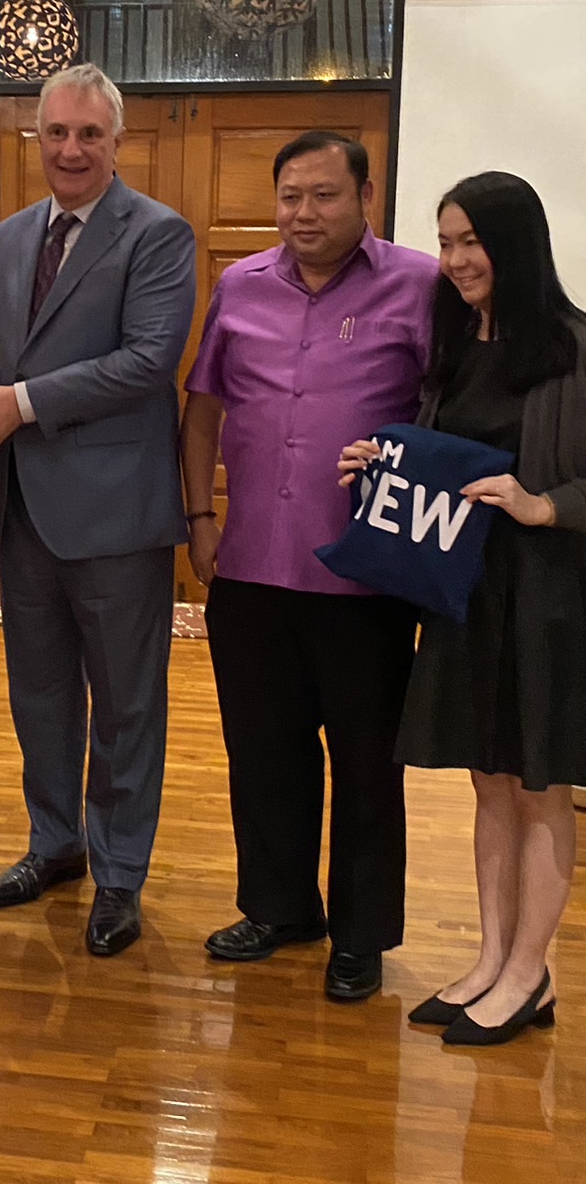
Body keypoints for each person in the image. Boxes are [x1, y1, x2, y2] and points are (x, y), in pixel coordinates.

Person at [180, 129, 439, 1001]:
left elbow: (447, 416)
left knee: (365, 762)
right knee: (261, 751)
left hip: (365, 575)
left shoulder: (418, 286)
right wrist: (200, 516)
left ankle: (360, 935)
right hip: (251, 563)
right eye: (289, 196)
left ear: (365, 196)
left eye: (323, 195)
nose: (302, 213)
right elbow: (202, 408)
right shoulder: (239, 285)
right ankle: (279, 907)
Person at [0, 64, 196, 957]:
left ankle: (119, 873)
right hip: (24, 508)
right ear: (37, 137)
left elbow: (146, 360)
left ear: (116, 142)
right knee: (41, 694)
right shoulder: (12, 235)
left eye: (89, 134)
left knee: (126, 704)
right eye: (55, 131)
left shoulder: (158, 234)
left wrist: (17, 404)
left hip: (116, 513)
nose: (70, 148)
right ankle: (54, 843)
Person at [341, 172, 586, 1045]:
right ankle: (491, 960)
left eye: (470, 241)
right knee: (488, 782)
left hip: (546, 602)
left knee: (539, 786)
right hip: (464, 592)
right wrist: (380, 464)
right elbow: (442, 462)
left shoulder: (573, 347)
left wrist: (542, 505)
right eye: (444, 242)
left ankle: (529, 972)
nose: (452, 260)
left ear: (514, 244)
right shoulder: (454, 344)